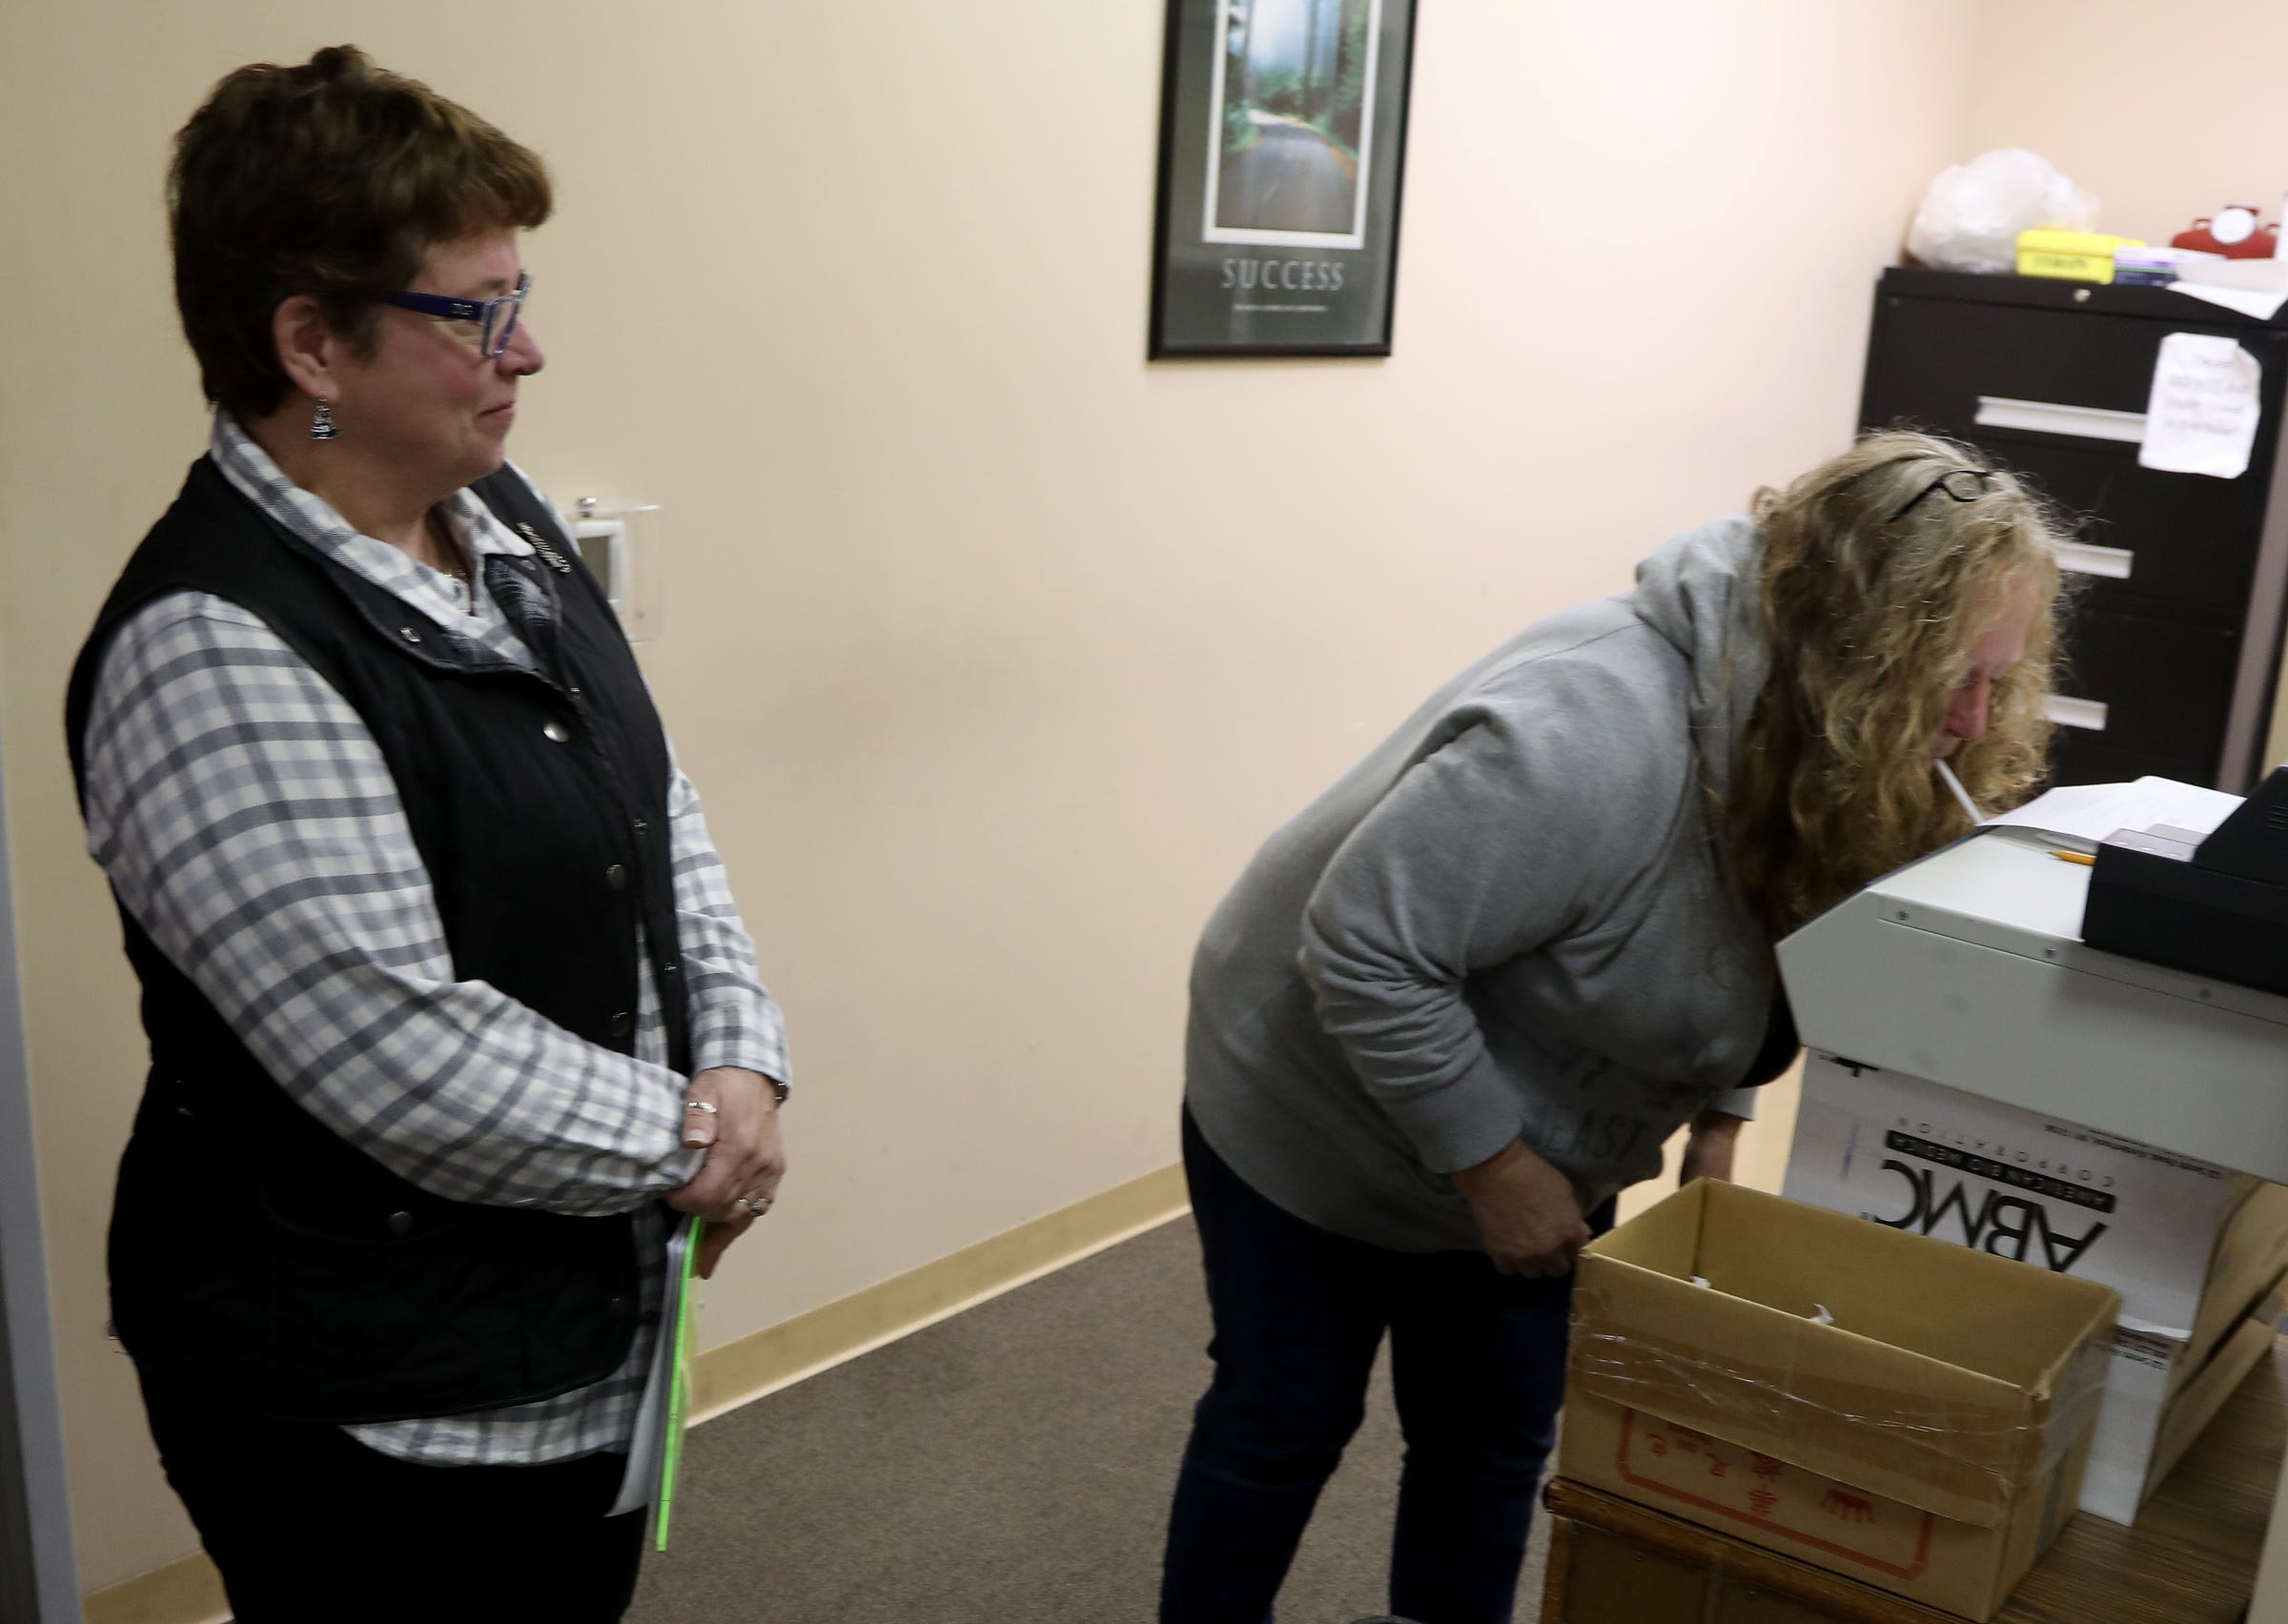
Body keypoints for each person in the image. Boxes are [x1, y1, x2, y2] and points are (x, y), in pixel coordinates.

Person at [64, 48, 786, 1623]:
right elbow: (406, 1059)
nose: (528, 349)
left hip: (574, 1329)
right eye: (476, 312)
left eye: (517, 292)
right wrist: (702, 1141)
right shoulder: (214, 644)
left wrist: (741, 1046)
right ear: (310, 340)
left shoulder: (500, 511)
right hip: (370, 1396)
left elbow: (655, 803)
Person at [1159, 431, 2065, 1624]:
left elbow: (1764, 922)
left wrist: (1722, 1120)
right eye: (1955, 677)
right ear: (1859, 651)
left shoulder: (1830, 728)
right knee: (1286, 1415)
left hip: (1549, 1099)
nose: (1973, 717)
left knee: (1492, 1437)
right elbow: (1369, 950)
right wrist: (1493, 1166)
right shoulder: (1591, 729)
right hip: (1311, 1089)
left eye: (2002, 680)